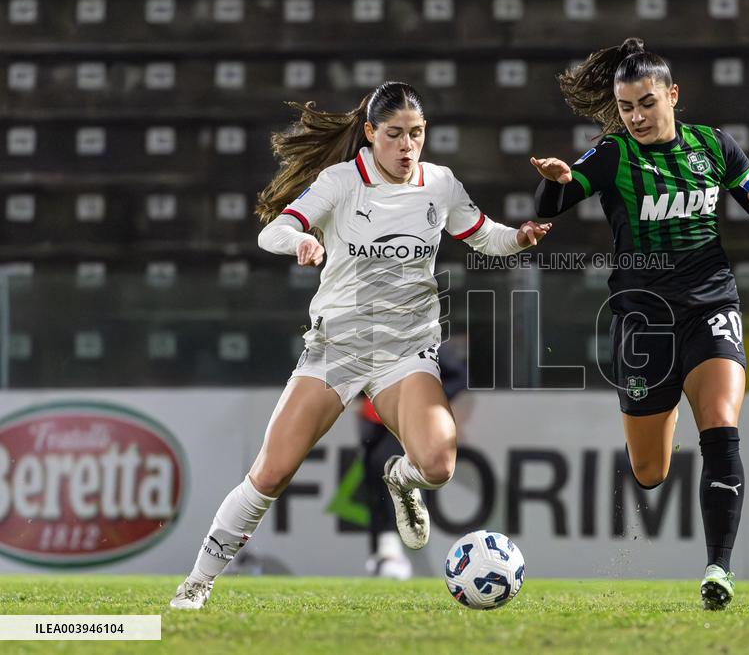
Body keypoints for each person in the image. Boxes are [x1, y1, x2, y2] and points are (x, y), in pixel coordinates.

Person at [171, 81, 551, 609]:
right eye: (394, 134)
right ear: (371, 133)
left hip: (406, 351)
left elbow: (484, 235)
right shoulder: (341, 182)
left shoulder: (440, 184)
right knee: (272, 472)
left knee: (439, 466)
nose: (406, 146)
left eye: (416, 134)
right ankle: (197, 582)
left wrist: (520, 236)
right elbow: (270, 233)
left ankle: (400, 479)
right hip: (337, 348)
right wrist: (302, 238)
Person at [530, 38, 749, 610]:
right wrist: (557, 179)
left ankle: (718, 569)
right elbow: (550, 206)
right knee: (649, 473)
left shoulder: (714, 146)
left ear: (673, 95)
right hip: (643, 325)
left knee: (720, 421)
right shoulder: (614, 154)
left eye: (647, 103)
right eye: (626, 107)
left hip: (710, 304)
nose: (637, 116)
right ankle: (659, 422)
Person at [356, 342, 468, 580]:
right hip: (373, 425)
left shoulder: (422, 340)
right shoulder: (368, 339)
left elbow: (458, 376)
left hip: (404, 425)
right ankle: (381, 552)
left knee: (391, 475)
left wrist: (426, 401)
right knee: (374, 485)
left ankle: (391, 553)